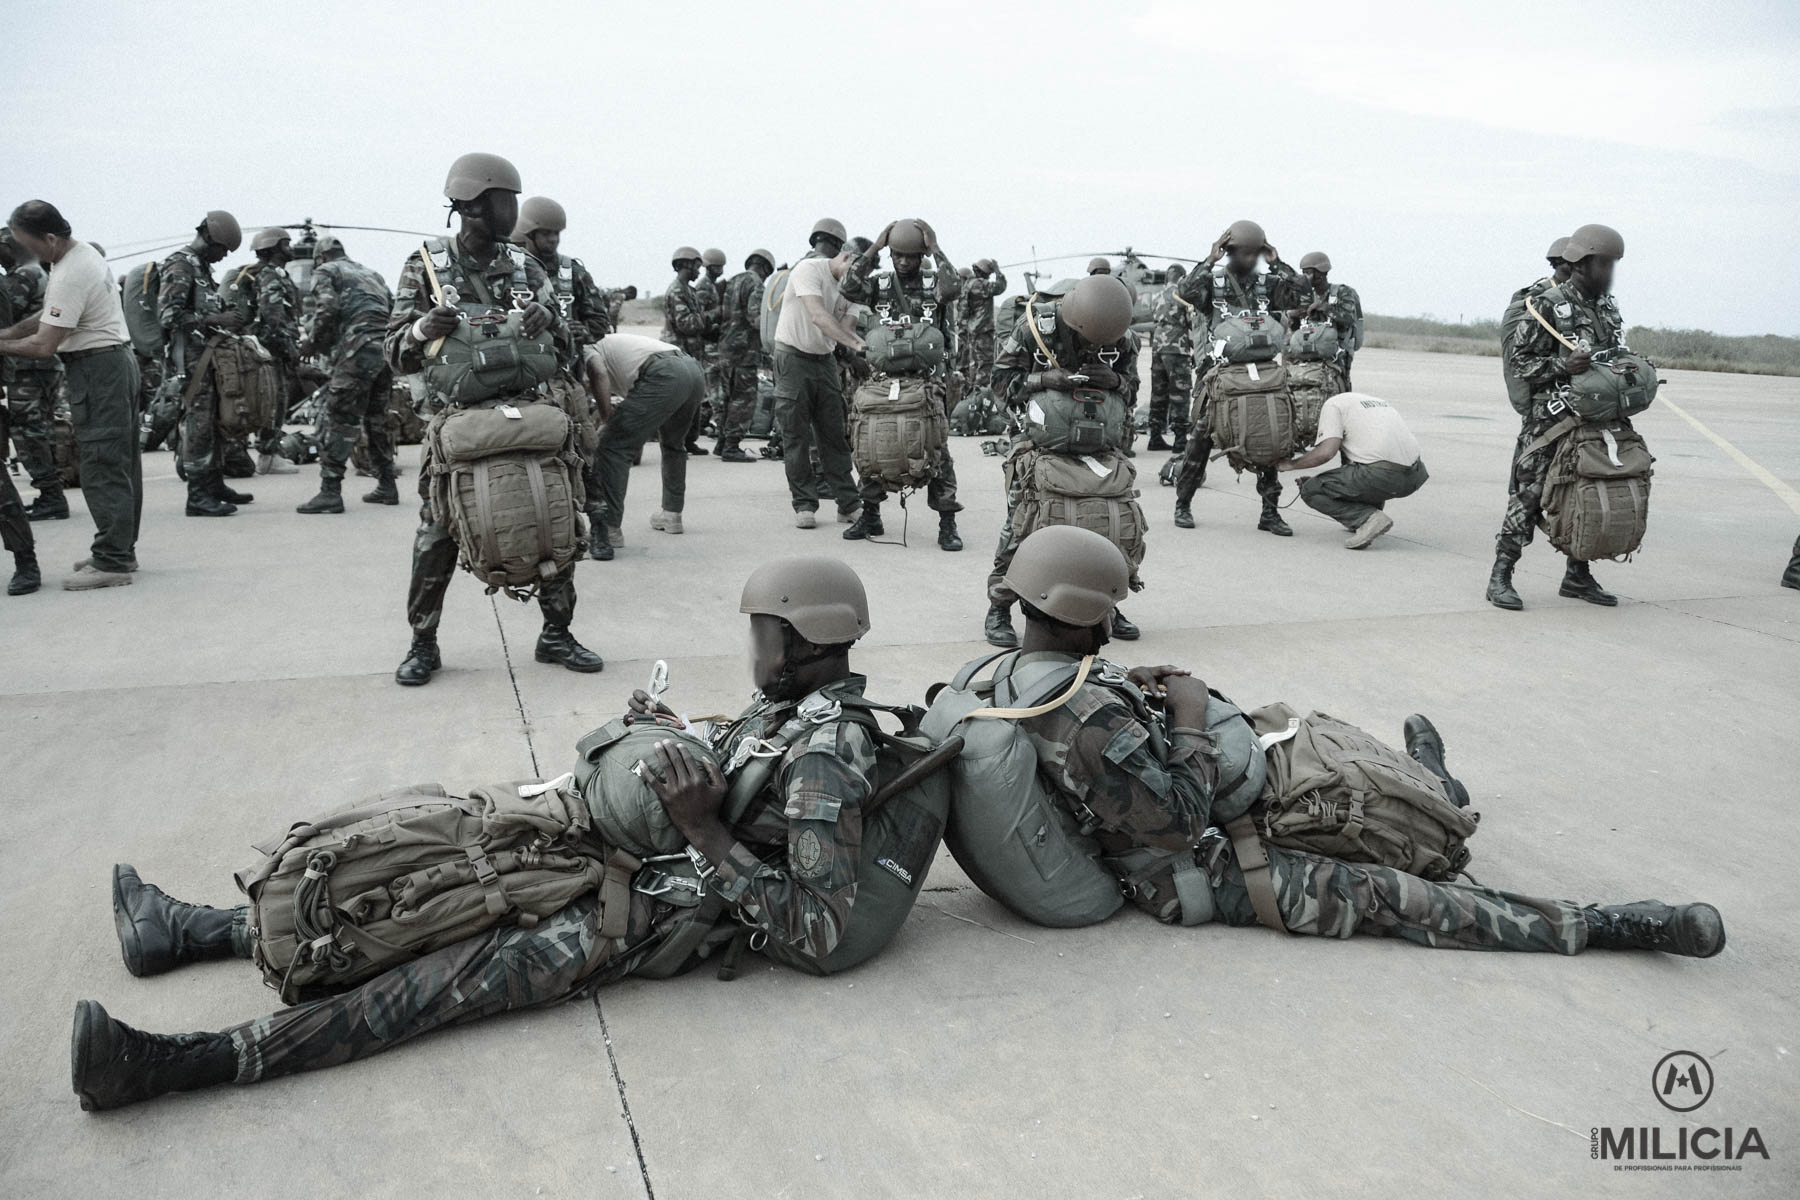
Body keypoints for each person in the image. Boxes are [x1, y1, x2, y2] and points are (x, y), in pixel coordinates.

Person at [67, 556, 904, 1111]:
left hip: (658, 909)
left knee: (441, 978)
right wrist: (670, 737)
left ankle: (179, 1064)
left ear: (800, 640)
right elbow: (745, 777)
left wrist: (702, 831)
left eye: (761, 632)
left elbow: (816, 927)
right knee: (428, 849)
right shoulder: (794, 705)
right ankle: (191, 931)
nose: (752, 646)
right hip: (627, 841)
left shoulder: (827, 756)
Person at [976, 525, 1727, 957]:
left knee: (1321, 752)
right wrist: (1190, 716)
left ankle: (1429, 785)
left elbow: (1086, 727)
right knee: (1392, 895)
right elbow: (1173, 823)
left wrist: (1134, 683)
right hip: (1183, 865)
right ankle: (1601, 925)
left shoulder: (1014, 671)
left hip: (1174, 814)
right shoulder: (1089, 723)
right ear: (1090, 612)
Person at [385, 151, 602, 685]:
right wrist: (422, 329)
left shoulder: (527, 267)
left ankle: (557, 634)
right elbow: (393, 353)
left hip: (529, 416)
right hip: (459, 421)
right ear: (471, 205)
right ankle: (423, 642)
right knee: (439, 530)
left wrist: (551, 322)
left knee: (556, 517)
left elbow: (567, 351)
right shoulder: (426, 267)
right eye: (504, 200)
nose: (512, 211)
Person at [985, 274, 1144, 647]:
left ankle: (1107, 604)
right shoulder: (1033, 330)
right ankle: (999, 606)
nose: (1096, 347)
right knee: (1023, 525)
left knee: (1110, 523)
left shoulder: (1123, 339)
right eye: (1090, 341)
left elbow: (1132, 391)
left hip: (1099, 441)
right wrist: (1044, 380)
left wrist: (1115, 382)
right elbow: (999, 385)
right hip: (1039, 442)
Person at [1488, 224, 1634, 611]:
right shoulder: (1547, 305)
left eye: (1614, 264)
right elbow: (1520, 364)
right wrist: (1563, 365)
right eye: (1605, 264)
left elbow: (1615, 353)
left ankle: (1577, 575)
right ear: (1583, 263)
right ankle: (1501, 575)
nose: (1611, 272)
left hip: (1596, 418)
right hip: (1549, 421)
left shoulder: (1607, 307)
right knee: (1529, 496)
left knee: (1588, 493)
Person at [0, 201, 142, 589]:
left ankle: (112, 561)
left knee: (101, 464)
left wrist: (2, 345)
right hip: (113, 362)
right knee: (120, 463)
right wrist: (9, 333)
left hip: (98, 369)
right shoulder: (81, 256)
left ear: (49, 238)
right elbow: (52, 313)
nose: (26, 252)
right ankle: (119, 550)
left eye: (28, 244)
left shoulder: (70, 274)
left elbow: (44, 345)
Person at [1170, 220, 1312, 534]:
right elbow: (1185, 292)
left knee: (1268, 435)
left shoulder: (1268, 284)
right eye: (1242, 252)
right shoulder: (1212, 284)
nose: (1248, 259)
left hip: (1261, 374)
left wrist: (1278, 263)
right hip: (1218, 373)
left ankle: (1270, 513)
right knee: (1200, 440)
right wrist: (1210, 260)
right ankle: (1183, 503)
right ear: (1230, 251)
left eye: (1253, 253)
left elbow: (1303, 299)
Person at [838, 218, 964, 551]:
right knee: (871, 444)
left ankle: (947, 523)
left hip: (926, 379)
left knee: (935, 447)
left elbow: (953, 289)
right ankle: (871, 514)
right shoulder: (878, 284)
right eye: (898, 255)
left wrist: (935, 248)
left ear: (921, 255)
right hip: (883, 380)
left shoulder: (933, 283)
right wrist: (874, 248)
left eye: (911, 255)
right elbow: (847, 288)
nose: (904, 262)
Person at [512, 196, 613, 537]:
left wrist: (585, 331)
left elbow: (600, 321)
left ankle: (600, 528)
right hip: (524, 384)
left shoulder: (573, 272)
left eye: (557, 234)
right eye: (546, 234)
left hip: (567, 380)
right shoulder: (511, 270)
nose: (553, 240)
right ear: (529, 233)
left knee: (586, 454)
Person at [159, 210, 253, 516]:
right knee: (199, 425)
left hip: (208, 358)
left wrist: (226, 316)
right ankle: (197, 496)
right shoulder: (180, 265)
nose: (224, 256)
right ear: (209, 237)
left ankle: (213, 484)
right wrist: (216, 319)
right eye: (222, 249)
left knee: (214, 422)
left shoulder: (200, 268)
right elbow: (169, 316)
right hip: (190, 362)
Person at [295, 236, 397, 513]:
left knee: (339, 415)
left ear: (320, 257)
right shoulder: (372, 274)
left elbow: (327, 308)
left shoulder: (326, 271)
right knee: (377, 419)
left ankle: (330, 492)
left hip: (357, 348)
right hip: (384, 350)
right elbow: (394, 309)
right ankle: (387, 484)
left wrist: (312, 343)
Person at [771, 233, 864, 530]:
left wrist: (857, 346)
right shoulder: (809, 269)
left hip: (824, 361)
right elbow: (819, 317)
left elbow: (846, 327)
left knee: (834, 435)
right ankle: (804, 504)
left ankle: (848, 504)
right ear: (846, 257)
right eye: (857, 270)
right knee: (796, 436)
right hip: (792, 358)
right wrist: (859, 346)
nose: (859, 279)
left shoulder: (853, 287)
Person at [581, 333, 704, 553]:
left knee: (613, 447)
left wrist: (607, 420)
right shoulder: (615, 346)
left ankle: (609, 528)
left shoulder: (588, 348)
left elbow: (598, 374)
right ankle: (672, 514)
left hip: (664, 373)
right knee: (673, 444)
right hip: (692, 370)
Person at [1279, 391, 1427, 548]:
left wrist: (1291, 465)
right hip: (1414, 477)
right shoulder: (1372, 402)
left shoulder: (1332, 405)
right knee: (1364, 468)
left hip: (1383, 477)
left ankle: (1367, 519)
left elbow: (1326, 453)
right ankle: (1368, 516)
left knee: (1311, 490)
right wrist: (1331, 484)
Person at [221, 227, 303, 476]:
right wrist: (288, 348)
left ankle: (256, 453)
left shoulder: (267, 274)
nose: (290, 248)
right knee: (274, 401)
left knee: (262, 400)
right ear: (273, 248)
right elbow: (273, 315)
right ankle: (268, 456)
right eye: (285, 244)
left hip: (260, 349)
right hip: (270, 350)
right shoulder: (271, 276)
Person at [1, 225, 69, 520]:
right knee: (42, 428)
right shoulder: (40, 273)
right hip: (44, 365)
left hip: (28, 367)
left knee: (27, 431)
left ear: (9, 247)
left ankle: (51, 495)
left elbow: (7, 315)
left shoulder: (22, 276)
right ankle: (53, 493)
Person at [714, 248, 773, 462]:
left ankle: (722, 442)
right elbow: (756, 319)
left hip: (726, 349)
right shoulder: (756, 284)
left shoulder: (733, 281)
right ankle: (731, 447)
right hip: (744, 352)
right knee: (743, 400)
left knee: (728, 398)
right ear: (765, 268)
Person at [660, 246, 709, 456]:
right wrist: (706, 319)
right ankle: (676, 442)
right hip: (679, 353)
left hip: (691, 353)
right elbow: (686, 324)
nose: (699, 271)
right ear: (686, 265)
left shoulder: (689, 290)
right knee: (680, 399)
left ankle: (689, 440)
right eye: (696, 266)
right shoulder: (677, 291)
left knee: (693, 398)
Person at [1291, 251, 1363, 387]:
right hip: (1309, 352)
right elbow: (1295, 330)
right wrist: (1295, 316)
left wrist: (1324, 307)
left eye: (1309, 273)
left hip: (1337, 354)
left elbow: (1348, 319)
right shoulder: (1304, 296)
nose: (1306, 277)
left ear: (1322, 272)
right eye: (1304, 273)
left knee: (1338, 386)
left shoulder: (1342, 292)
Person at [1146, 262, 1195, 452]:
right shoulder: (1183, 295)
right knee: (1180, 393)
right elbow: (1192, 323)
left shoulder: (1157, 296)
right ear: (1182, 278)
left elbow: (1154, 316)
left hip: (1157, 347)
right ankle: (1180, 439)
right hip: (1177, 348)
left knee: (1158, 393)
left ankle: (1155, 436)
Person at [958, 257, 1007, 393]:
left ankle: (971, 393)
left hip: (973, 329)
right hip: (982, 330)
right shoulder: (979, 284)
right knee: (985, 364)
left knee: (975, 364)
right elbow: (1000, 286)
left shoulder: (969, 284)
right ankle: (981, 393)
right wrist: (997, 271)